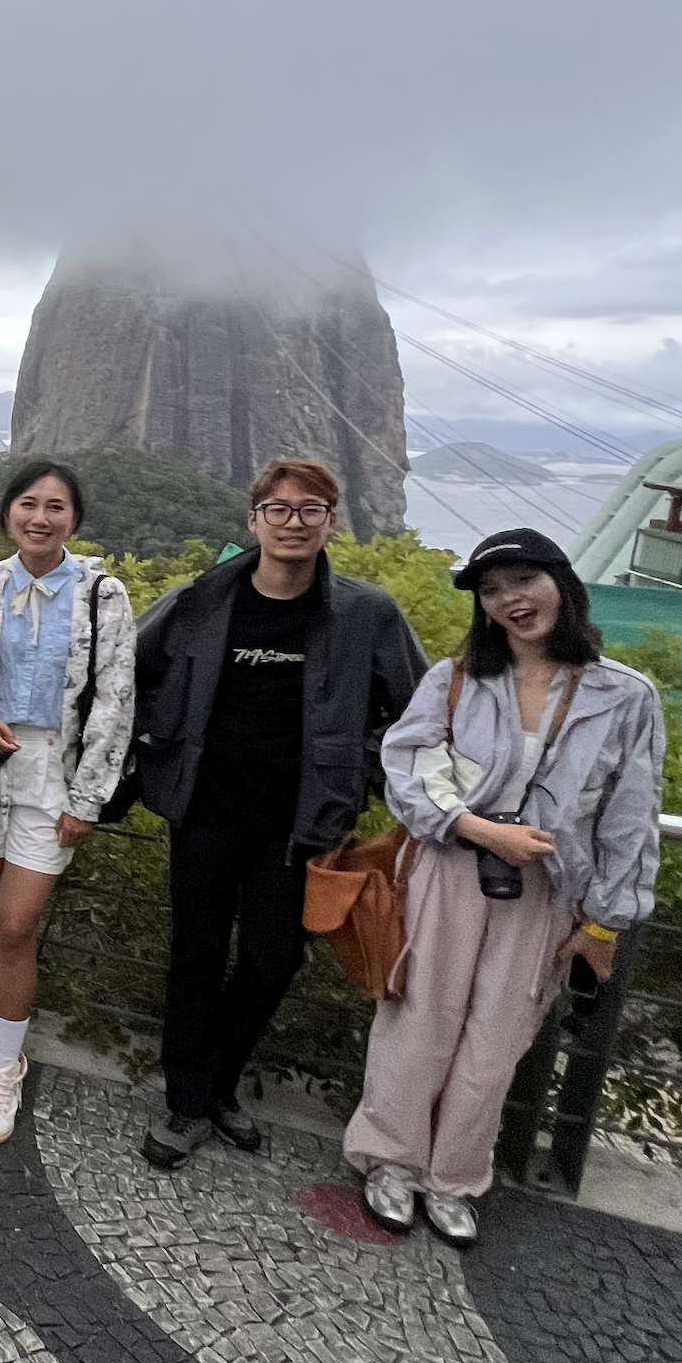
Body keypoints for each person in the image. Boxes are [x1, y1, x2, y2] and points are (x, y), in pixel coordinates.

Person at [345, 528, 664, 1245]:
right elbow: (407, 764)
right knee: (419, 1020)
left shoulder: (625, 696)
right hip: (449, 870)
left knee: (499, 1036)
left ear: (562, 584)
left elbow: (632, 818)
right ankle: (389, 1161)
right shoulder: (457, 679)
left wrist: (606, 923)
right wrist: (482, 831)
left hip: (549, 891)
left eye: (523, 581)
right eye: (492, 591)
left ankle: (455, 1175)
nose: (510, 600)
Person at [134, 459, 427, 1169]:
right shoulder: (200, 600)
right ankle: (189, 1100)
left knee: (270, 964)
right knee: (196, 957)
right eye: (279, 509)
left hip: (300, 825)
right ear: (254, 521)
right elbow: (129, 672)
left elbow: (417, 712)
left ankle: (219, 1086)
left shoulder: (366, 613)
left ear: (332, 521)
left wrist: (356, 762)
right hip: (202, 810)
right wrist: (155, 747)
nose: (293, 521)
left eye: (310, 509)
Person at [0, 461, 136, 1145]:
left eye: (55, 507)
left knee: (17, 923)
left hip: (55, 772)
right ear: (8, 514)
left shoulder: (103, 593)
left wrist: (89, 796)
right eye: (28, 504)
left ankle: (8, 1065)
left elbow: (116, 698)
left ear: (74, 519)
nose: (40, 517)